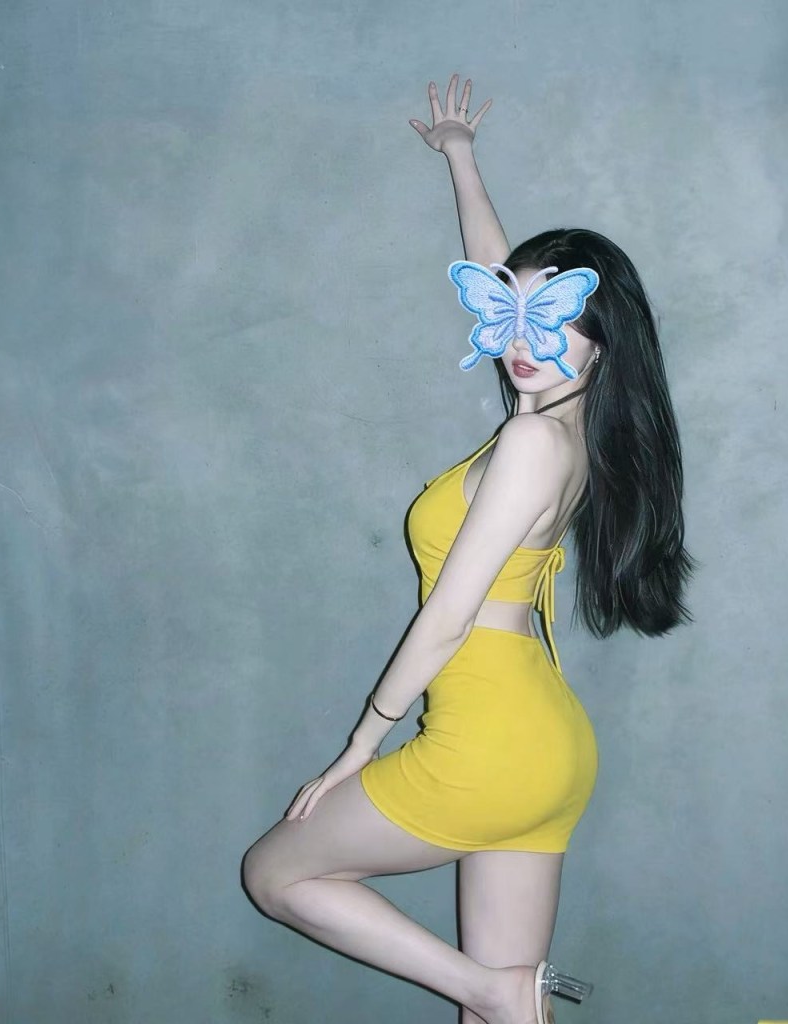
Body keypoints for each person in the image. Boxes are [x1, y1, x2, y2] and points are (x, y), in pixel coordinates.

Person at [242, 73, 694, 1024]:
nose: (522, 338)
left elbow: (448, 617)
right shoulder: (563, 430)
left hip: (486, 741)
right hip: (545, 750)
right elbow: (501, 279)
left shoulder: (531, 440)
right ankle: (498, 997)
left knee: (276, 872)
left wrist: (359, 744)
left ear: (602, 340)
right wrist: (461, 158)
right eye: (514, 313)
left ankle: (492, 988)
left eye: (553, 319)